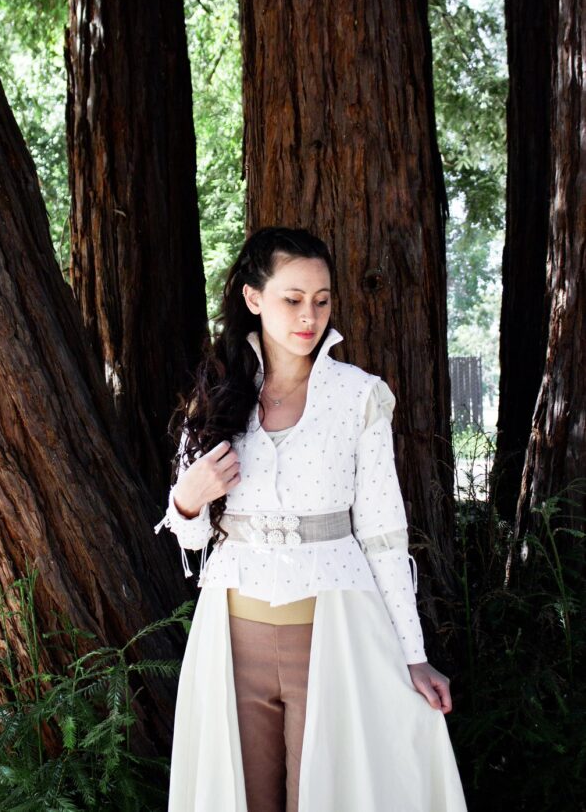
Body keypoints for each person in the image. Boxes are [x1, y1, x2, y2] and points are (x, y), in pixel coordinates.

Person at [154, 226, 468, 812]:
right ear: (254, 298)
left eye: (322, 300)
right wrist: (187, 500)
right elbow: (191, 538)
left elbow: (383, 535)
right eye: (292, 299)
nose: (309, 316)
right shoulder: (215, 395)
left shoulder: (359, 396)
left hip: (335, 639)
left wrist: (414, 654)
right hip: (231, 640)